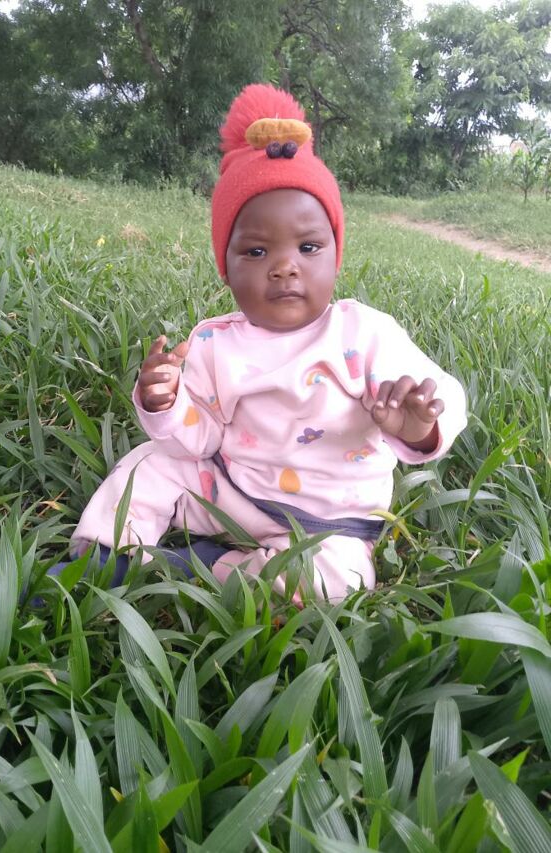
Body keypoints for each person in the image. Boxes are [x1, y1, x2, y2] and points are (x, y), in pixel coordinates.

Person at [69, 83, 467, 602]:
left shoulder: (363, 333)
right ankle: (104, 556)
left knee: (336, 582)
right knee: (151, 463)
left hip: (331, 524)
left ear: (336, 255)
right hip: (231, 493)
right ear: (226, 267)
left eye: (308, 247)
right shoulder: (214, 341)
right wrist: (165, 403)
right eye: (256, 252)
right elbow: (198, 441)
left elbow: (444, 394)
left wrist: (419, 426)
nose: (284, 266)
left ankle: (207, 567)